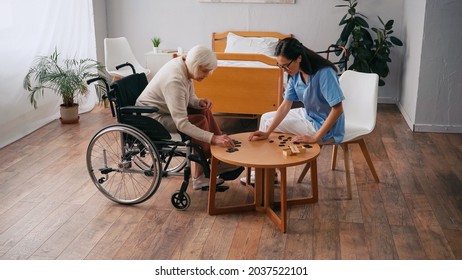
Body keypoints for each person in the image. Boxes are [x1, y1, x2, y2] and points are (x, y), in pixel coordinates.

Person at [136, 45, 242, 190]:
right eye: (205, 71)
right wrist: (212, 138)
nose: (207, 75)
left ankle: (218, 160)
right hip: (152, 117)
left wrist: (198, 102)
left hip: (164, 109)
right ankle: (199, 176)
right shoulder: (175, 80)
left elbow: (188, 97)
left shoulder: (185, 65)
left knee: (204, 111)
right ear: (196, 66)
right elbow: (182, 124)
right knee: (198, 121)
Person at [242, 37, 345, 184]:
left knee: (269, 122)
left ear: (299, 58)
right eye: (280, 66)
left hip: (324, 125)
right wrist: (267, 133)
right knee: (265, 118)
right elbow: (285, 105)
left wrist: (315, 137)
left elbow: (338, 109)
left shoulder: (324, 73)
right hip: (309, 114)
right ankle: (269, 173)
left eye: (285, 65)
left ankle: (265, 175)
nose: (284, 70)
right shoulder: (295, 74)